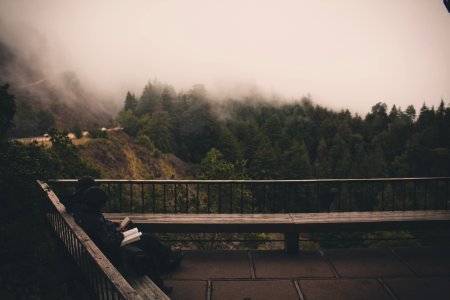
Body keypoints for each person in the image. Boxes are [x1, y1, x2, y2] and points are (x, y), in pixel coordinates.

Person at [71, 185, 180, 294]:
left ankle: (167, 260)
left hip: (108, 245)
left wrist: (113, 225)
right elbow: (109, 242)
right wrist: (120, 234)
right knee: (144, 249)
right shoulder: (92, 218)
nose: (103, 207)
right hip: (112, 251)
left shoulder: (88, 212)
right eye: (102, 204)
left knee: (145, 238)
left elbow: (103, 227)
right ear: (97, 203)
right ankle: (161, 280)